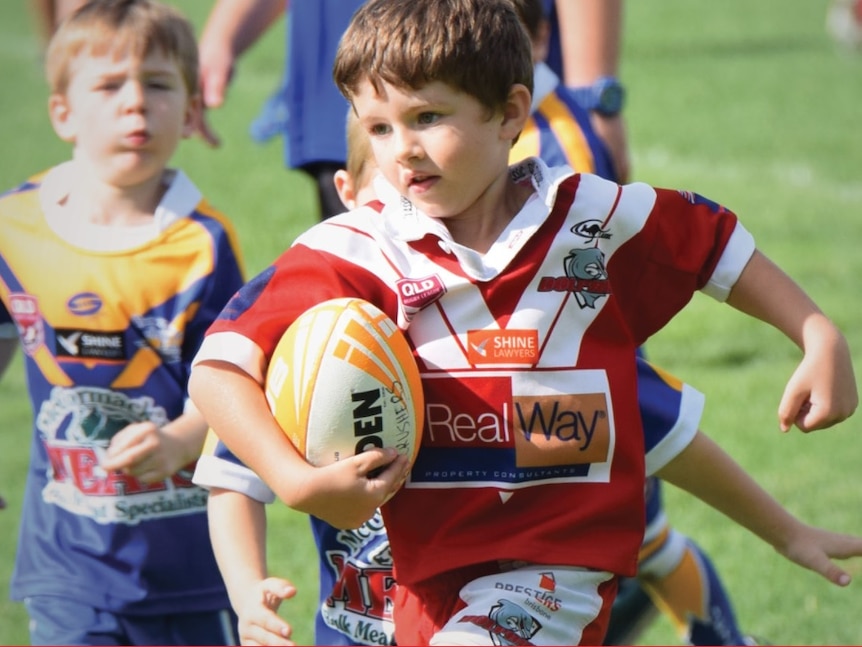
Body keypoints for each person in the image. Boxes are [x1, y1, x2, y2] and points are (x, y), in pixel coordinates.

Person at [190, 0, 860, 644]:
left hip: (556, 572)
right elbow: (219, 368)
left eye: (427, 116)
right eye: (380, 128)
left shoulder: (592, 218)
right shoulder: (358, 249)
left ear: (510, 113)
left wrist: (815, 330)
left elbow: (713, 246)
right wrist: (294, 479)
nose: (402, 150)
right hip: (423, 585)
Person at [512, 2, 758, 644]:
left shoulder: (559, 145)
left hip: (571, 385)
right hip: (502, 385)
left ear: (538, 40)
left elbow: (596, 284)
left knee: (637, 542)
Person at [0, 0, 245, 644]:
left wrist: (183, 440)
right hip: (67, 563)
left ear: (191, 111)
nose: (135, 104)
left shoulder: (203, 244)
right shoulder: (14, 226)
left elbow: (234, 384)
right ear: (63, 113)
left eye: (159, 85)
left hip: (185, 565)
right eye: (109, 86)